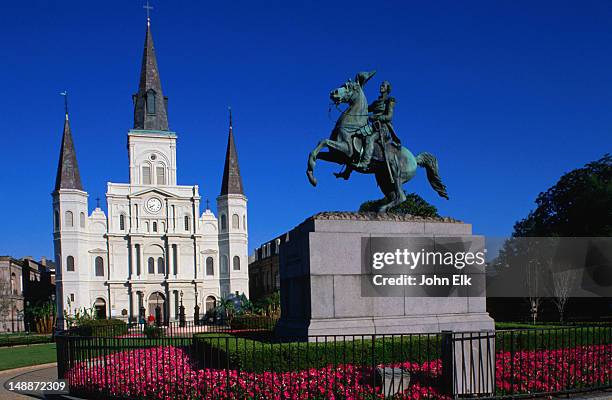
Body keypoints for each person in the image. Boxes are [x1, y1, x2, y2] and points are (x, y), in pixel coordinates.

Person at [355, 80, 401, 169]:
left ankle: (365, 162)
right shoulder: (376, 102)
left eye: (383, 85)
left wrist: (376, 117)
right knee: (357, 135)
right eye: (381, 85)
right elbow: (365, 109)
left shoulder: (389, 100)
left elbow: (389, 117)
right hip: (373, 127)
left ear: (388, 88)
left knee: (369, 139)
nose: (381, 86)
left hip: (383, 129)